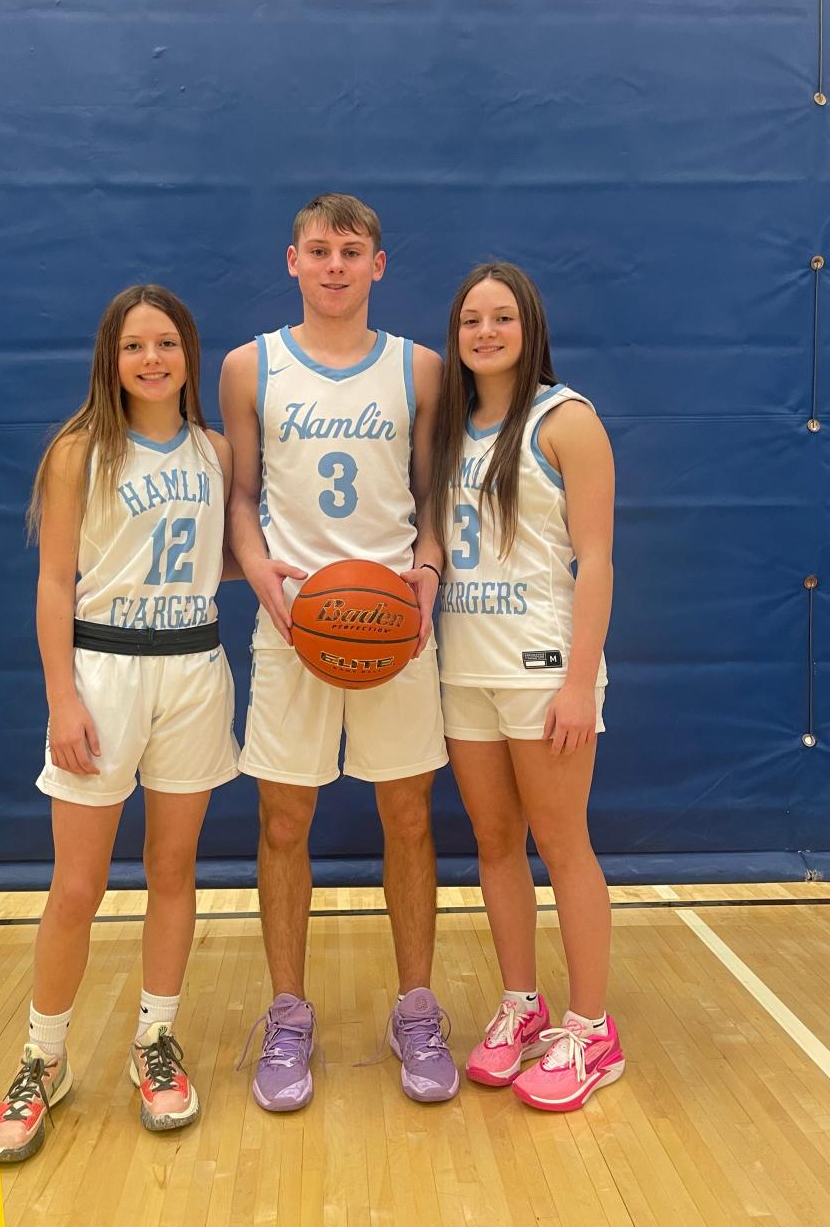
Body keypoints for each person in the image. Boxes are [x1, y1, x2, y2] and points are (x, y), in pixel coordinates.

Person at [0, 284, 239, 1162]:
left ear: (188, 355)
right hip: (105, 673)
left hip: (195, 672)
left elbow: (217, 559)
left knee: (173, 870)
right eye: (136, 346)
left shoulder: (216, 450)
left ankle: (152, 1042)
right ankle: (41, 1059)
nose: (153, 358)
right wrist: (62, 695)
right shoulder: (80, 450)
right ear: (112, 357)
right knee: (77, 889)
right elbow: (56, 581)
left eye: (167, 342)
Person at [219, 193, 457, 1111]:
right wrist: (263, 578)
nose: (334, 265)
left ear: (378, 266)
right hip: (292, 626)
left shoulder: (421, 369)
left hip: (394, 623)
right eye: (318, 250)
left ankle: (417, 1009)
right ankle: (287, 1015)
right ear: (291, 261)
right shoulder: (251, 366)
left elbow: (432, 491)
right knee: (283, 825)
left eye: (351, 251)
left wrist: (428, 569)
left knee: (409, 820)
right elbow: (241, 495)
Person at [430, 262, 624, 1112]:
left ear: (528, 326)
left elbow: (598, 561)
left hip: (544, 672)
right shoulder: (448, 428)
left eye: (501, 318)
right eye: (471, 320)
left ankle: (591, 1028)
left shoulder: (567, 420)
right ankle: (521, 1003)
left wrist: (580, 682)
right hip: (462, 667)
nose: (484, 332)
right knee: (495, 842)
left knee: (562, 840)